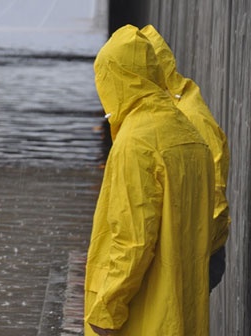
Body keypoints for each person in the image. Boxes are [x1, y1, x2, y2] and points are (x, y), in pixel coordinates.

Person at [84, 25, 215, 335]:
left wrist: (106, 311)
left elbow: (132, 240)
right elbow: (213, 228)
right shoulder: (190, 134)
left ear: (117, 78)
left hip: (142, 320)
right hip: (183, 315)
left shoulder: (136, 143)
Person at [140, 24, 230, 293]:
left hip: (194, 250)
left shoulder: (189, 116)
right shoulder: (171, 107)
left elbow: (213, 189)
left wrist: (196, 247)